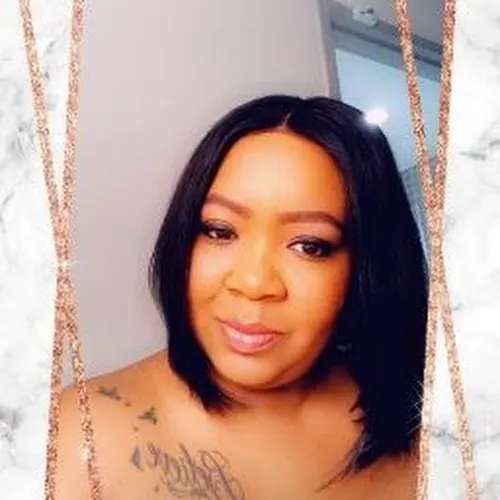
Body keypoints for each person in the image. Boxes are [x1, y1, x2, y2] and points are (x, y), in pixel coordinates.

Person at [57, 95, 428, 499]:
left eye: (309, 245)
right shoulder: (76, 440)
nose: (253, 283)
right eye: (219, 231)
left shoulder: (421, 408)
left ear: (367, 264)